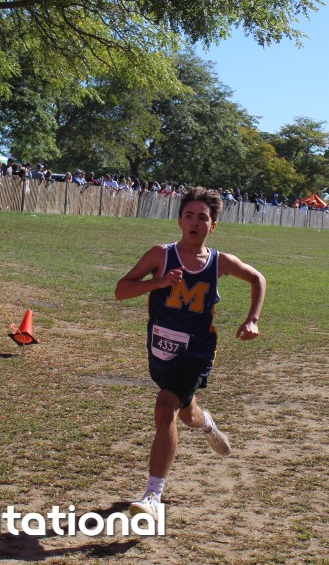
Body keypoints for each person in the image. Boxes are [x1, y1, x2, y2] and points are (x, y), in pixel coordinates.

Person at [115, 186, 266, 519]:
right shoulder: (160, 255)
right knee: (185, 412)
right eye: (188, 215)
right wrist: (158, 282)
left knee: (164, 407)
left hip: (197, 350)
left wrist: (252, 319)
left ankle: (152, 498)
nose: (195, 223)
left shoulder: (219, 262)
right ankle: (207, 424)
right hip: (160, 348)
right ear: (179, 220)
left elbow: (257, 278)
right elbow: (121, 290)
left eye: (202, 217)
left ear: (213, 225)